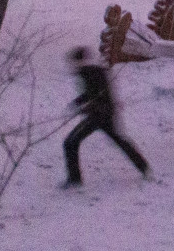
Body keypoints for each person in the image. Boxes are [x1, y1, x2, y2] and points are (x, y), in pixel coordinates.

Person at [62, 46, 150, 187]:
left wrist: (85, 106)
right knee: (120, 140)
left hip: (98, 115)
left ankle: (75, 179)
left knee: (70, 143)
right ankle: (144, 167)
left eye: (73, 62)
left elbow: (97, 96)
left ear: (80, 61)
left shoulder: (88, 72)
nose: (72, 66)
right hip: (107, 113)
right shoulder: (94, 70)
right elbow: (96, 94)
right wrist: (78, 103)